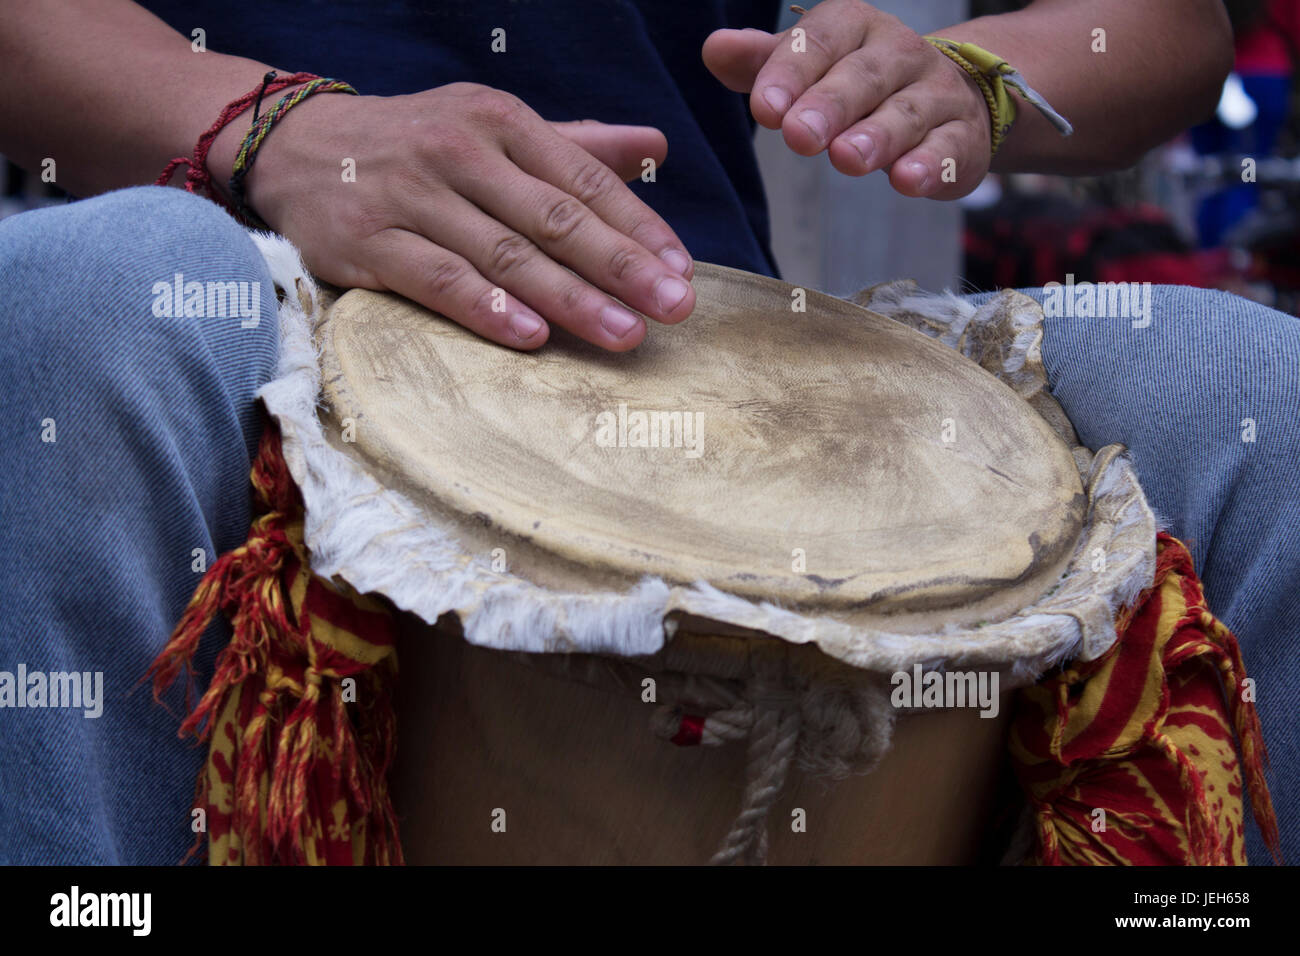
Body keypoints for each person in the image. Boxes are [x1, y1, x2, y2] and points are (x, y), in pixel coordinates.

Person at [0, 0, 1293, 864]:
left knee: (1249, 385)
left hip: (698, 317)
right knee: (89, 289)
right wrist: (278, 129)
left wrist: (970, 78)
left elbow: (1161, 25)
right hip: (229, 276)